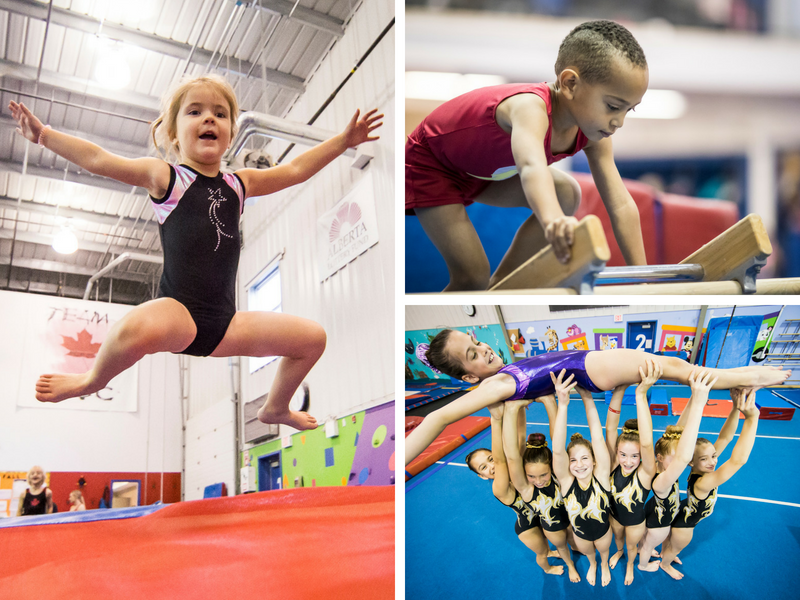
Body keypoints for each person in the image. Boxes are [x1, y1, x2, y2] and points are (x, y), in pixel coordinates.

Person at [9, 75, 382, 430]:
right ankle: (91, 381)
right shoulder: (165, 177)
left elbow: (297, 168)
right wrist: (43, 135)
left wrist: (343, 141)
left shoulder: (241, 183)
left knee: (312, 339)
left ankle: (276, 407)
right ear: (173, 132)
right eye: (195, 111)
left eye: (220, 114)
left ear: (231, 133)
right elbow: (99, 159)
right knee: (131, 328)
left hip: (227, 324)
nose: (209, 118)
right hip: (179, 313)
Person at [405, 20, 649, 291]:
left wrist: (644, 278)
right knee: (472, 277)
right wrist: (554, 220)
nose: (619, 122)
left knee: (568, 193)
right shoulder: (531, 107)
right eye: (613, 106)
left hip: (481, 174)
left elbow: (621, 205)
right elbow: (531, 167)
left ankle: (503, 285)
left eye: (629, 110)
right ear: (569, 84)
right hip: (432, 165)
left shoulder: (594, 134)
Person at [405, 329, 790, 465]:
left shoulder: (498, 377)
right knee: (679, 370)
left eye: (475, 342)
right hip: (591, 367)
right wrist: (399, 459)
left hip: (589, 365)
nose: (483, 349)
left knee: (674, 364)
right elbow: (438, 418)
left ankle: (743, 380)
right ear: (469, 374)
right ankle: (755, 375)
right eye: (473, 354)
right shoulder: (493, 386)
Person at [658, 387, 760, 580]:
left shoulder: (700, 467)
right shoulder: (704, 482)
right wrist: (752, 419)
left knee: (670, 542)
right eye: (705, 459)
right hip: (686, 526)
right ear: (692, 461)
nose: (713, 461)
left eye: (713, 455)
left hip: (683, 510)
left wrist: (735, 409)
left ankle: (666, 552)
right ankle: (665, 564)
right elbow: (738, 461)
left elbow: (725, 437)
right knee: (677, 546)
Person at [465, 400, 563, 576]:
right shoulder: (499, 488)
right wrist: (496, 420)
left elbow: (520, 435)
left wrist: (520, 408)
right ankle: (547, 568)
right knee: (540, 551)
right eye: (483, 468)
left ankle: (550, 550)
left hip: (541, 513)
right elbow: (501, 459)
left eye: (489, 459)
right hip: (528, 525)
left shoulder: (513, 471)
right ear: (482, 476)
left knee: (547, 541)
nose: (491, 466)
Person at [636, 368, 715, 573]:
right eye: (676, 456)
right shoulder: (661, 480)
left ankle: (642, 548)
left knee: (646, 540)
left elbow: (680, 431)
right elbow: (683, 457)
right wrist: (699, 402)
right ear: (660, 458)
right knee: (648, 545)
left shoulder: (664, 464)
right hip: (659, 525)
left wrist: (692, 396)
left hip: (655, 512)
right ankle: (643, 565)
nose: (682, 457)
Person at [502, 396, 581, 582]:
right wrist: (511, 410)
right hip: (551, 527)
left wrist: (549, 402)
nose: (538, 481)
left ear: (551, 469)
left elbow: (558, 441)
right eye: (532, 476)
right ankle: (570, 565)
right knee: (561, 547)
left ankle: (576, 549)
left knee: (573, 540)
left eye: (543, 475)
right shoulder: (526, 488)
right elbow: (512, 456)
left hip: (569, 517)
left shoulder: (556, 475)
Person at [551, 372, 614, 587]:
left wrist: (588, 399)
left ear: (595, 461)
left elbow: (597, 436)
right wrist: (563, 405)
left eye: (585, 458)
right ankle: (593, 564)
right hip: (580, 535)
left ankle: (603, 564)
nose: (579, 464)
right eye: (574, 460)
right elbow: (558, 451)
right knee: (589, 553)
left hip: (604, 531)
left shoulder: (602, 477)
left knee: (604, 551)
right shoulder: (567, 483)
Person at [603, 360, 658, 585]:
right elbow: (609, 428)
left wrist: (640, 395)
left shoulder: (646, 473)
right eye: (623, 455)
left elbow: (646, 443)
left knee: (631, 546)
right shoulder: (615, 464)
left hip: (636, 522)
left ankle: (629, 566)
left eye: (634, 456)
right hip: (614, 516)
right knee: (618, 540)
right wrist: (619, 389)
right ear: (617, 453)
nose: (628, 461)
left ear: (642, 457)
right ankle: (618, 553)